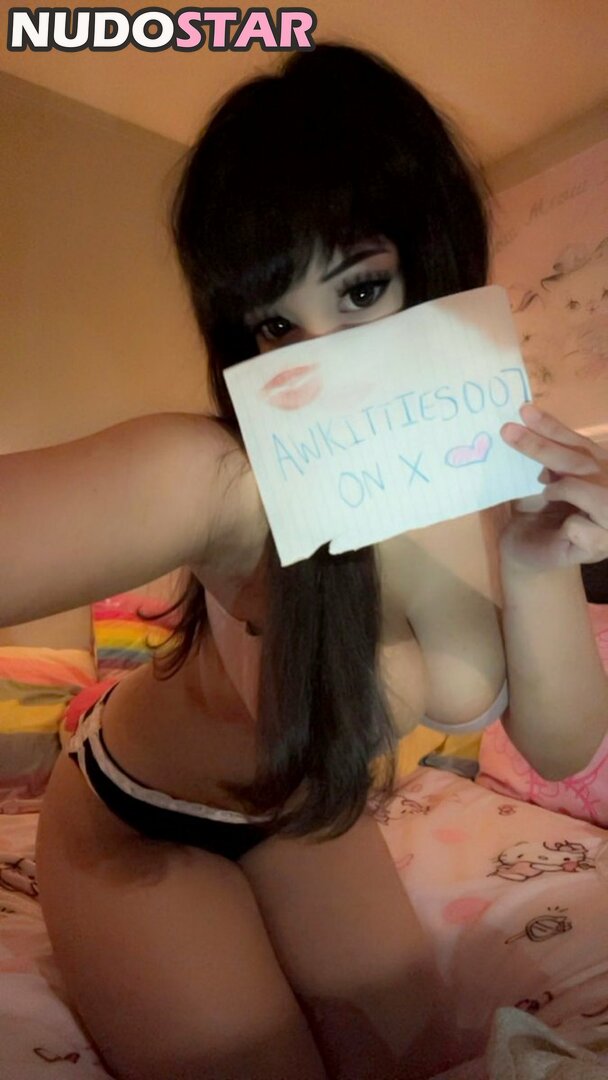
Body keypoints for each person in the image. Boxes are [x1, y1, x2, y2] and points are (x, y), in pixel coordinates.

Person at [1, 42, 606, 1080]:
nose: (324, 359)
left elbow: (559, 750)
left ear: (432, 259)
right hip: (135, 821)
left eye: (362, 290)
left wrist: (536, 555)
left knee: (422, 1062)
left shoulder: (502, 466)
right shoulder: (222, 477)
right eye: (275, 324)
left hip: (304, 822)